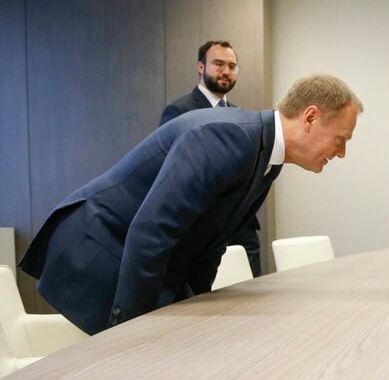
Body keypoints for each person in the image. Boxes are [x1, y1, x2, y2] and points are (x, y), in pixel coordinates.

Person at [20, 75, 362, 335]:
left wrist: (198, 304)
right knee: (150, 363)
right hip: (97, 249)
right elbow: (151, 232)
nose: (341, 153)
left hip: (134, 256)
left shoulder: (265, 155)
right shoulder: (227, 137)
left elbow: (210, 241)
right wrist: (131, 334)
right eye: (340, 139)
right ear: (311, 117)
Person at [160, 40, 263, 277]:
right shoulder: (179, 112)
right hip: (200, 226)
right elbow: (173, 172)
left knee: (254, 298)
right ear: (200, 67)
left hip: (242, 227)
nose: (226, 71)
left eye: (232, 66)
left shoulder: (241, 115)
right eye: (218, 64)